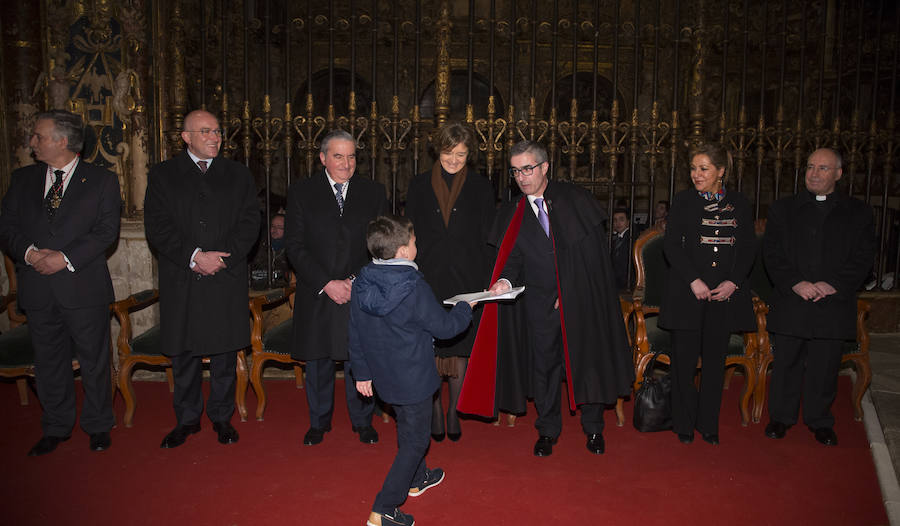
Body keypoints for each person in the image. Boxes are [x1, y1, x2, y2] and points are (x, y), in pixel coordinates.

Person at [459, 140, 634, 457]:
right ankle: (548, 430)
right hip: (538, 305)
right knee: (544, 368)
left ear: (544, 167)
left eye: (527, 169)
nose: (521, 177)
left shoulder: (574, 200)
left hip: (578, 302)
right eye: (515, 171)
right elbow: (511, 259)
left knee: (587, 363)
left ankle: (593, 428)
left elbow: (594, 262)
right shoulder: (513, 212)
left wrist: (571, 293)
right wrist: (503, 280)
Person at [0, 110, 121, 456]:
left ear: (62, 141)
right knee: (49, 360)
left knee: (94, 360)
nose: (32, 142)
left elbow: (105, 232)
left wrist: (63, 258)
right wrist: (31, 254)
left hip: (82, 286)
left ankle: (98, 425)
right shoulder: (23, 179)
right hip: (37, 285)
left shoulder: (101, 181)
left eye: (39, 136)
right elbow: (6, 227)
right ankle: (56, 425)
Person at [144, 109, 260, 448]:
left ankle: (222, 418)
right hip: (183, 277)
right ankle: (187, 419)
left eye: (218, 132)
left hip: (225, 275)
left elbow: (250, 222)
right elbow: (158, 227)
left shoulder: (238, 174)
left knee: (225, 353)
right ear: (186, 137)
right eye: (206, 131)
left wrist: (223, 258)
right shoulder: (164, 175)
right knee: (184, 353)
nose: (215, 137)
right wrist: (194, 256)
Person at [349, 215, 474, 526]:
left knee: (408, 426)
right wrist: (465, 307)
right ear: (403, 251)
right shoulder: (413, 286)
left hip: (383, 376)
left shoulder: (362, 280)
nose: (418, 245)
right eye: (414, 242)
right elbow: (445, 329)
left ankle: (418, 479)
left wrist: (362, 373)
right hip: (414, 377)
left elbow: (355, 331)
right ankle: (384, 508)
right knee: (417, 440)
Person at [763, 148, 875, 446]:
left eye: (823, 168)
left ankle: (820, 420)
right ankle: (780, 417)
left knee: (826, 365)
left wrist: (833, 284)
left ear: (838, 174)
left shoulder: (859, 213)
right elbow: (772, 255)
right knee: (786, 362)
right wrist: (796, 283)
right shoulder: (782, 209)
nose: (814, 173)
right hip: (792, 298)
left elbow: (863, 258)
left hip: (833, 301)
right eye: (810, 166)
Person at [285, 129, 388, 446]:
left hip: (360, 287)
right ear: (322, 158)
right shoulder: (302, 192)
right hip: (318, 289)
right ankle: (319, 422)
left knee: (361, 356)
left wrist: (355, 281)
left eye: (352, 156)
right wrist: (327, 283)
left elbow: (381, 245)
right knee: (318, 359)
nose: (346, 163)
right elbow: (294, 246)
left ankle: (363, 421)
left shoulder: (373, 192)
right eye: (339, 156)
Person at [658, 142, 756, 446]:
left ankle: (708, 424)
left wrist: (733, 283)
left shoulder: (739, 203)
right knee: (684, 363)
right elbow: (672, 245)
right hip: (689, 294)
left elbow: (748, 247)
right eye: (693, 168)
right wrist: (694, 280)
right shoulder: (684, 200)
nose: (696, 174)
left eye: (704, 169)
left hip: (723, 296)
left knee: (715, 363)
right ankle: (684, 424)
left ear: (721, 171)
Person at [405, 122, 495, 442]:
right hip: (426, 276)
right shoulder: (417, 185)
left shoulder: (482, 187)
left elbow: (488, 236)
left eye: (461, 153)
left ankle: (454, 411)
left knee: (460, 345)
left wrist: (487, 281)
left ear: (469, 154)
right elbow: (409, 233)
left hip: (467, 276)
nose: (454, 160)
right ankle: (432, 412)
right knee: (427, 346)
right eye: (448, 152)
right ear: (436, 150)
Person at [249, 212, 290, 289]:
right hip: (260, 291)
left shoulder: (292, 250)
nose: (274, 230)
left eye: (279, 227)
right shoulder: (258, 247)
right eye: (272, 226)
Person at [610, 208, 634, 291]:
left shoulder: (632, 237)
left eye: (621, 219)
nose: (617, 223)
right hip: (617, 281)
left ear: (628, 222)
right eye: (615, 220)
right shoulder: (615, 237)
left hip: (626, 283)